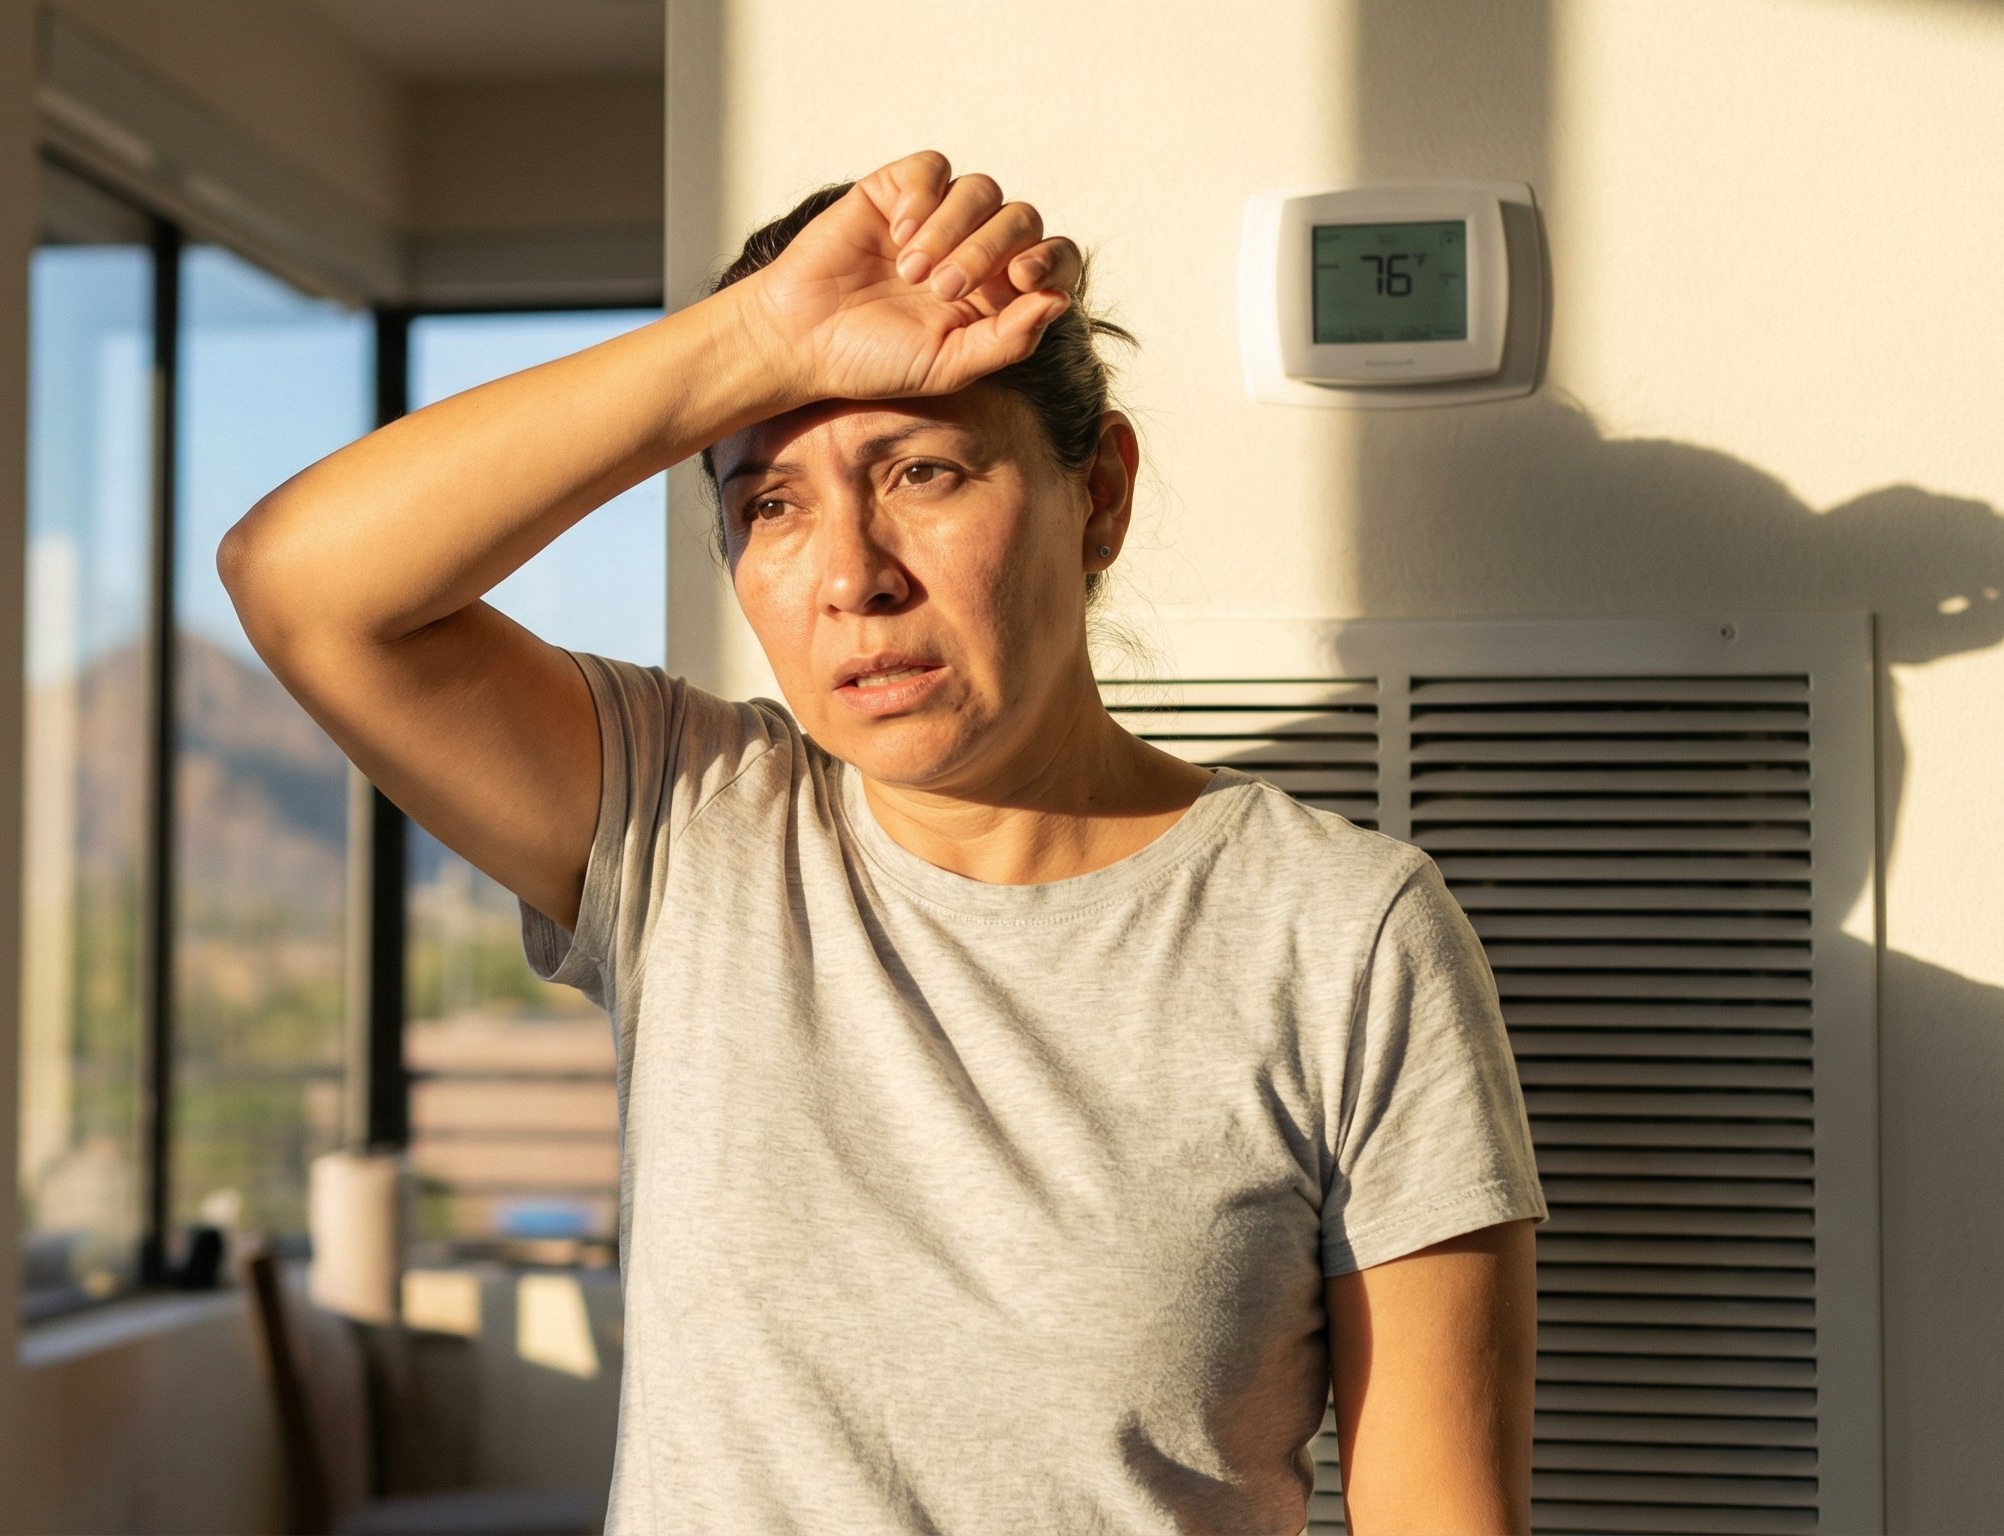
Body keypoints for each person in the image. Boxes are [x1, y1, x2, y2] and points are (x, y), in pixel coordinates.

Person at [220, 150, 1546, 1534]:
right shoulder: (692, 821)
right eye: (770, 503)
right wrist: (755, 338)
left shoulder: (1343, 933)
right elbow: (299, 582)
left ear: (1098, 498)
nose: (853, 576)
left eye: (922, 470)